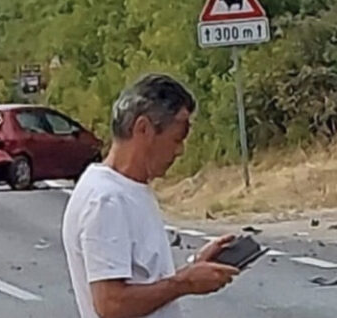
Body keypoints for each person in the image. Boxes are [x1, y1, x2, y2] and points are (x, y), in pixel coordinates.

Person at [62, 74, 238, 318]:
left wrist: (194, 268)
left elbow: (142, 279)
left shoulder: (127, 189)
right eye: (176, 139)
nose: (180, 151)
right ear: (143, 128)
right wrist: (184, 283)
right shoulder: (106, 199)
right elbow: (111, 304)